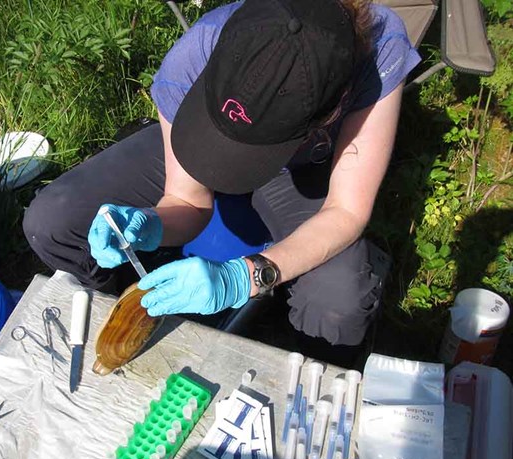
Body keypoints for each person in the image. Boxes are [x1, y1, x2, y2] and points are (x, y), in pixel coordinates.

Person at [23, 0, 421, 347]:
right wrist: (150, 224)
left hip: (301, 172)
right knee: (53, 219)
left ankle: (302, 360)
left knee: (337, 304)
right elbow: (186, 199)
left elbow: (346, 211)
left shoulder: (376, 54)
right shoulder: (197, 50)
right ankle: (119, 314)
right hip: (205, 133)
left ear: (327, 115)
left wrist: (245, 277)